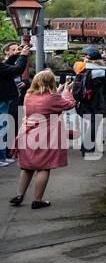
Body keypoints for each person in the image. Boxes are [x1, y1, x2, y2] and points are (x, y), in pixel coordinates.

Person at [10, 69, 76, 209]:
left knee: (27, 167)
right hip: (45, 137)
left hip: (27, 134)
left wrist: (58, 92)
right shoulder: (52, 98)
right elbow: (69, 104)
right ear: (51, 82)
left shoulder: (29, 95)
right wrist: (67, 91)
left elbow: (48, 100)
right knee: (43, 168)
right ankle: (37, 200)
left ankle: (19, 195)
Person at [72, 46, 106, 157]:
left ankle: (88, 146)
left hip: (86, 101)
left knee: (93, 124)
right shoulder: (99, 72)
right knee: (94, 124)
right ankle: (87, 147)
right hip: (96, 102)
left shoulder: (85, 69)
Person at [0, 41, 31, 167]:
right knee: (2, 128)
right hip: (2, 100)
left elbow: (6, 67)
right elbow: (17, 69)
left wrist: (15, 56)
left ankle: (3, 156)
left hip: (4, 99)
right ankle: (1, 158)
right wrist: (23, 56)